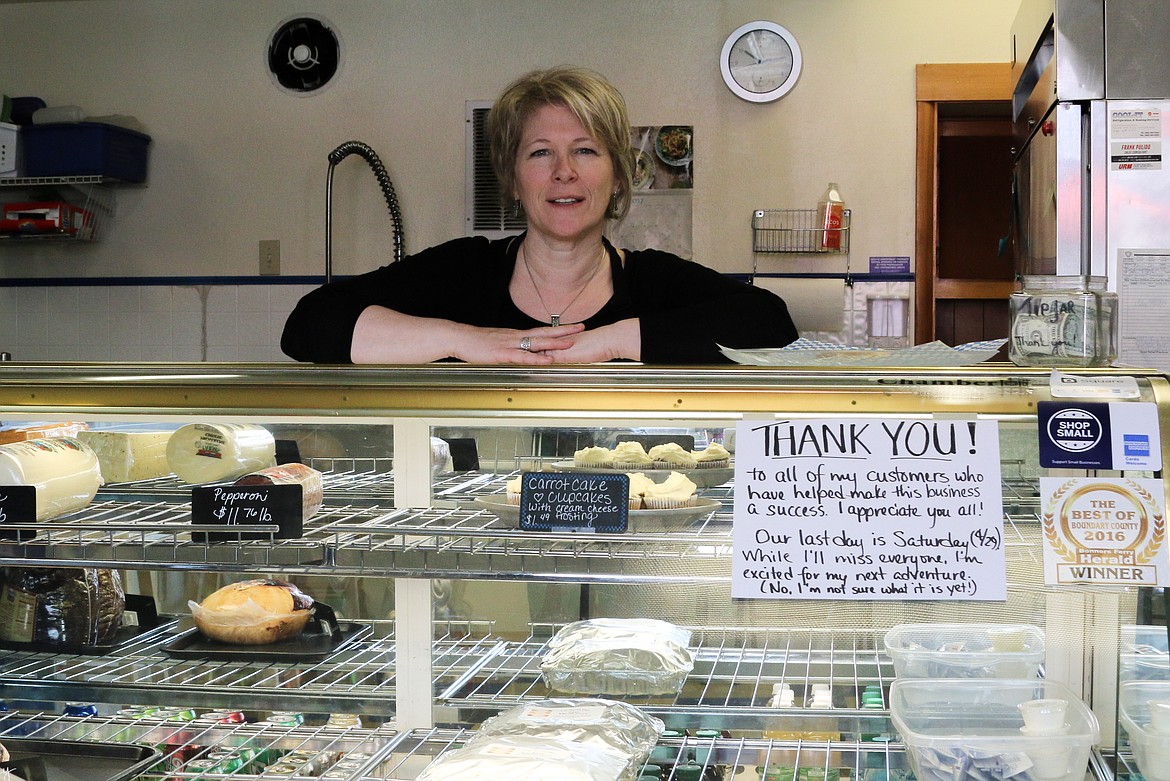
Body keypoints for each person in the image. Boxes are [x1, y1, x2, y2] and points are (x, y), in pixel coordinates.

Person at [281, 66, 797, 365]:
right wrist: (469, 341)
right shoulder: (462, 272)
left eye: (586, 151)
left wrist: (604, 342)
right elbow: (309, 324)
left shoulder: (654, 281)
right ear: (512, 178)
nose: (564, 172)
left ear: (619, 175)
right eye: (540, 152)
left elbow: (769, 322)